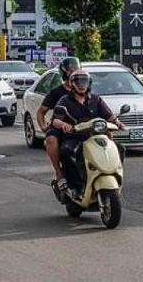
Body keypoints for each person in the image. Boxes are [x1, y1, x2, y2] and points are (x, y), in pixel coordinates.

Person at [50, 71, 125, 197]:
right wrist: (64, 125)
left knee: (120, 149)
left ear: (89, 83)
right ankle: (75, 186)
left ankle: (113, 177)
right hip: (75, 137)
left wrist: (118, 123)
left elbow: (109, 116)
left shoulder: (96, 99)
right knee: (66, 152)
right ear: (72, 84)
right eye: (78, 82)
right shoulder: (65, 100)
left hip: (94, 137)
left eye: (84, 82)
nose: (81, 85)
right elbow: (55, 120)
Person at [37, 56, 81, 191]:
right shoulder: (57, 92)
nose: (74, 72)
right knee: (51, 139)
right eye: (71, 70)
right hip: (60, 126)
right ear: (65, 73)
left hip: (81, 126)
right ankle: (59, 172)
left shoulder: (85, 91)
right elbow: (41, 112)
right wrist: (44, 127)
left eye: (77, 69)